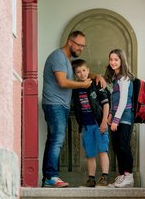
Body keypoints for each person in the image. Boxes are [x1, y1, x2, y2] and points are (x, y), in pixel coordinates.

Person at [41, 30, 106, 188]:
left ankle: (49, 177)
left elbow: (81, 73)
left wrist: (96, 75)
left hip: (61, 105)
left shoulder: (67, 61)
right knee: (57, 139)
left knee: (54, 139)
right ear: (70, 42)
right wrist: (83, 85)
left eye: (83, 46)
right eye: (79, 45)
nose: (81, 48)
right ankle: (50, 176)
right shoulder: (58, 56)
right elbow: (63, 82)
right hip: (54, 104)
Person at [72, 59, 110, 188]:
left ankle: (104, 177)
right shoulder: (75, 90)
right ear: (75, 75)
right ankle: (91, 179)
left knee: (102, 150)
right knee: (90, 153)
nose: (82, 74)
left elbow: (106, 104)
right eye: (78, 72)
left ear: (88, 71)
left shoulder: (96, 84)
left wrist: (104, 121)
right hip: (87, 126)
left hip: (99, 124)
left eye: (84, 70)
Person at [104, 49, 135, 188]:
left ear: (122, 61)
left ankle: (129, 176)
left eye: (116, 59)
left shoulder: (124, 78)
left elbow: (123, 101)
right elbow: (114, 99)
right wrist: (111, 114)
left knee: (123, 146)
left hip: (125, 117)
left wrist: (116, 120)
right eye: (111, 59)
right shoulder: (116, 79)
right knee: (117, 147)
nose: (113, 62)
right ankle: (122, 175)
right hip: (117, 116)